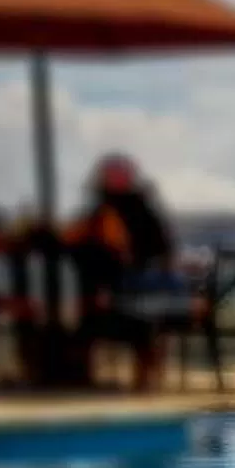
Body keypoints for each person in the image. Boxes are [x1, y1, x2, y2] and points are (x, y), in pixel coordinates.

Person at [63, 155, 194, 389]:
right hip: (121, 285)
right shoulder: (101, 212)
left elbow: (160, 249)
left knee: (138, 311)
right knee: (122, 308)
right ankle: (134, 373)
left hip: (137, 285)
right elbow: (84, 248)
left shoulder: (137, 210)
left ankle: (143, 374)